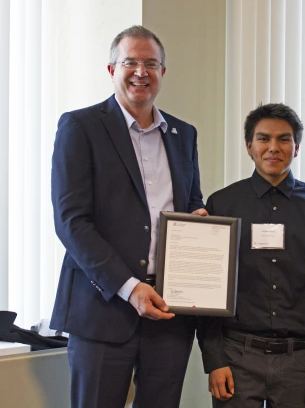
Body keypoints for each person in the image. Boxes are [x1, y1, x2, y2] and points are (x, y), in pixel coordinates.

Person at [50, 25, 206, 408]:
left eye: (151, 63)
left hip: (169, 311)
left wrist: (199, 223)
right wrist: (129, 286)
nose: (141, 71)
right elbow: (71, 220)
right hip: (102, 308)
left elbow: (192, 202)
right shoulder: (80, 127)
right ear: (111, 69)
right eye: (130, 62)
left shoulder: (183, 135)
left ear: (163, 73)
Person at [198, 103, 305, 408]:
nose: (273, 148)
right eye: (263, 139)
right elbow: (209, 290)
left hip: (299, 361)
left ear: (296, 147)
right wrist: (214, 359)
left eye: (284, 139)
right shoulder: (222, 204)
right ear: (249, 146)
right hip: (236, 357)